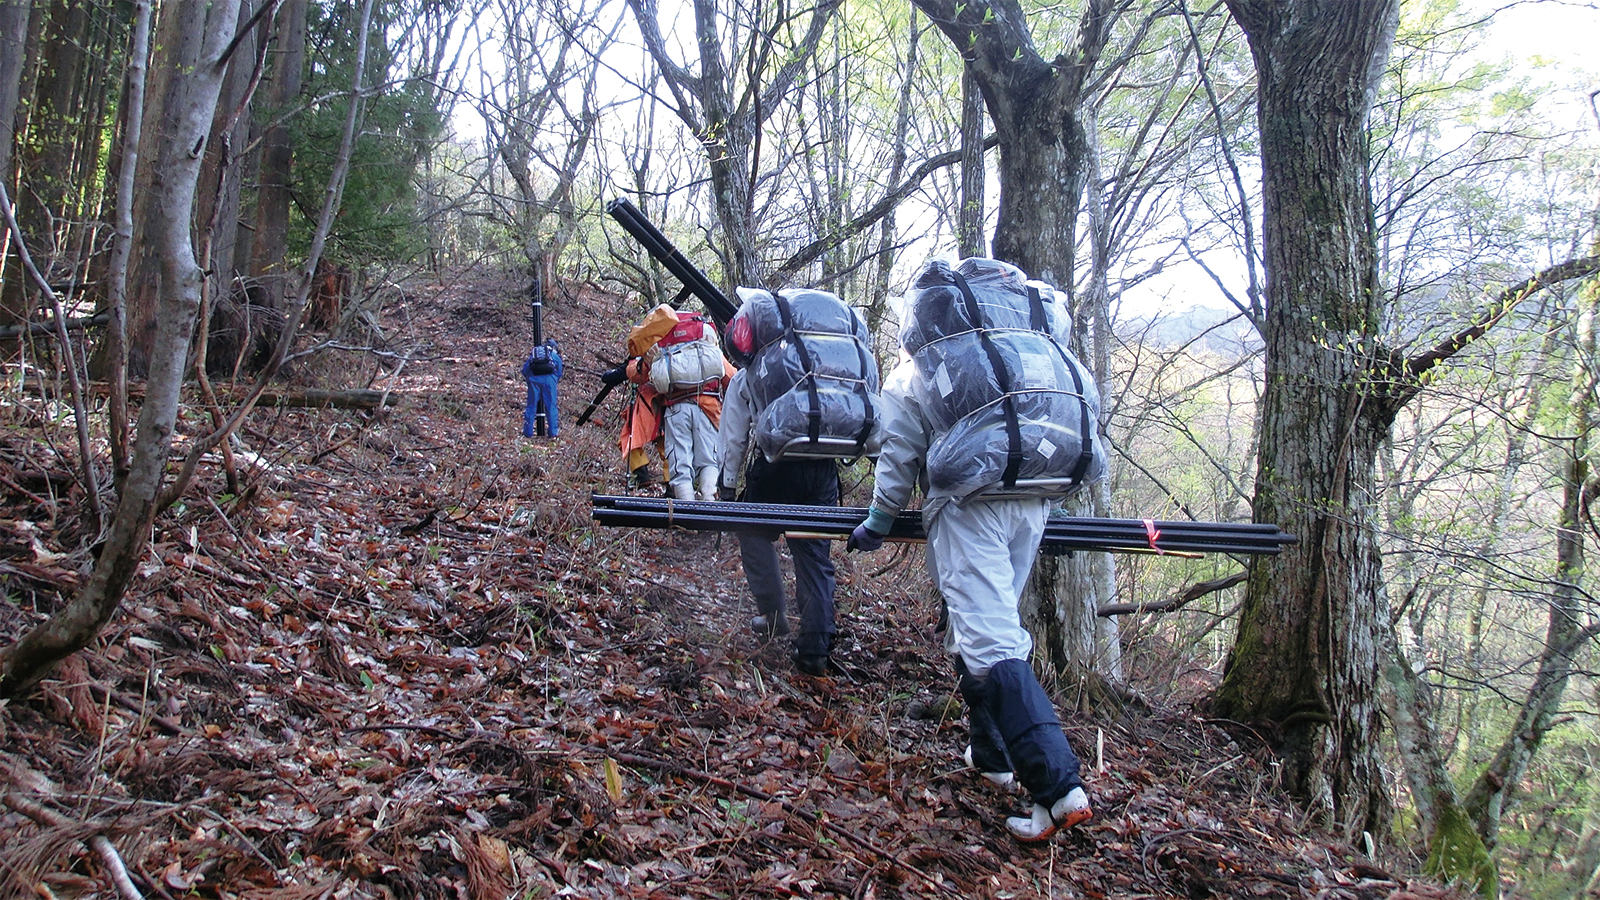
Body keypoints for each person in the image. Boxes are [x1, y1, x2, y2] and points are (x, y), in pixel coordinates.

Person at [846, 257, 1096, 842]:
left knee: (991, 641)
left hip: (968, 509)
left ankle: (1057, 790)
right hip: (1032, 501)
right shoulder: (1020, 356)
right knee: (984, 628)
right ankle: (992, 757)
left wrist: (879, 522)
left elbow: (900, 453)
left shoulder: (920, 372)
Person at [719, 366, 839, 675]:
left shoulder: (755, 369)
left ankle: (773, 615)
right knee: (813, 551)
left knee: (751, 530)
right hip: (823, 469)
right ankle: (815, 646)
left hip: (776, 466)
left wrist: (728, 486)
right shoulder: (827, 368)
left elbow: (734, 436)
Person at [520, 339, 562, 437]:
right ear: (554, 347)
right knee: (551, 407)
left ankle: (528, 433)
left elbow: (525, 370)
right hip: (550, 381)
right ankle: (553, 433)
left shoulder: (535, 355)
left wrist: (530, 378)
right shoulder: (555, 356)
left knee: (531, 406)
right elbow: (559, 372)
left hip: (534, 380)